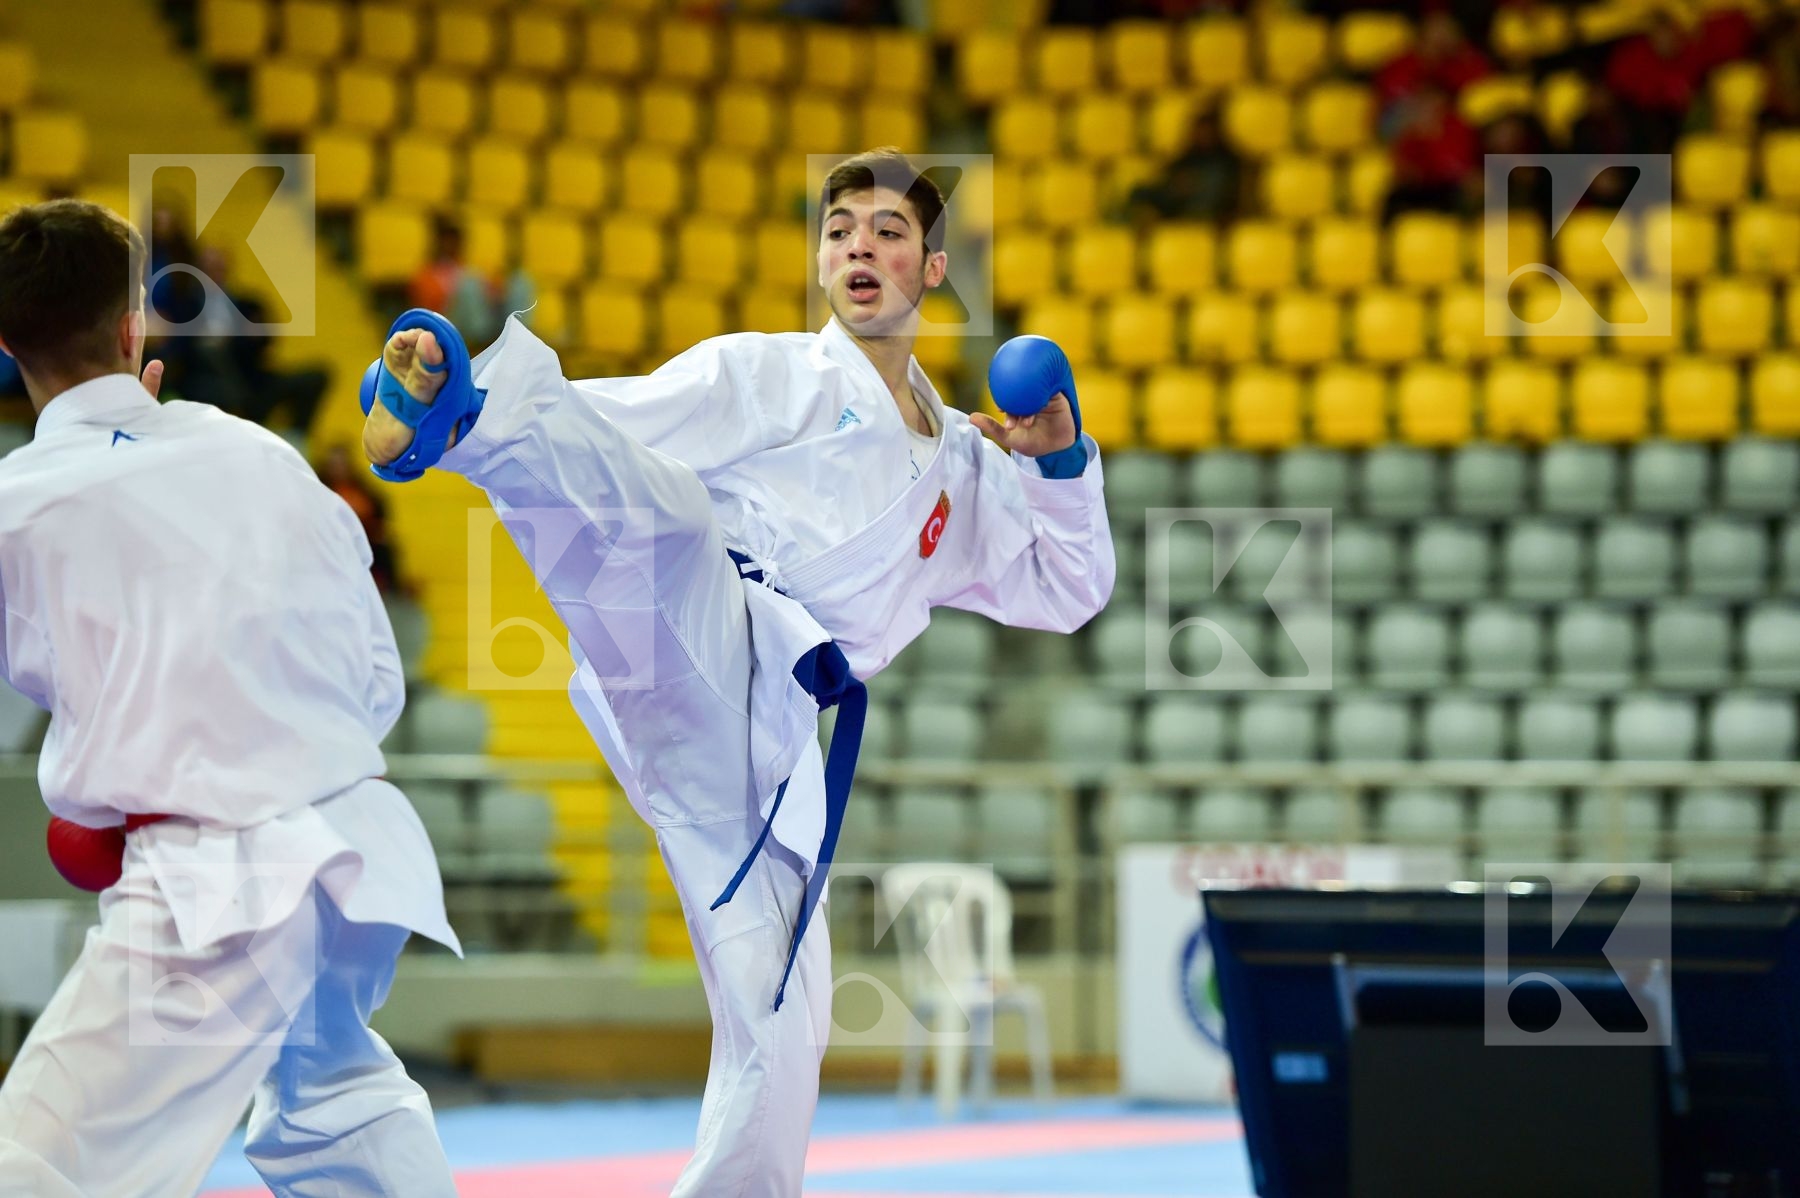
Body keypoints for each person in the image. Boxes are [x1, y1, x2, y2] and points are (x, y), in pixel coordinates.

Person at [359, 148, 1114, 1196]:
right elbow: (619, 424)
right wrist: (474, 415)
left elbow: (1071, 589)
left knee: (784, 1015)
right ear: (819, 262)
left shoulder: (969, 464)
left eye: (889, 231)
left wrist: (1062, 460)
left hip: (774, 740)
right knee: (664, 520)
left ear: (934, 268)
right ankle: (472, 419)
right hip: (698, 624)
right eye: (841, 227)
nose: (861, 245)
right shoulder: (770, 375)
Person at [0, 198, 461, 1197]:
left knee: (35, 1162)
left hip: (215, 882)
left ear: (5, 344)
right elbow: (375, 683)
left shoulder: (18, 508)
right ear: (136, 327)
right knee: (335, 1100)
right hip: (356, 854)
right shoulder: (261, 453)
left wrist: (89, 796)